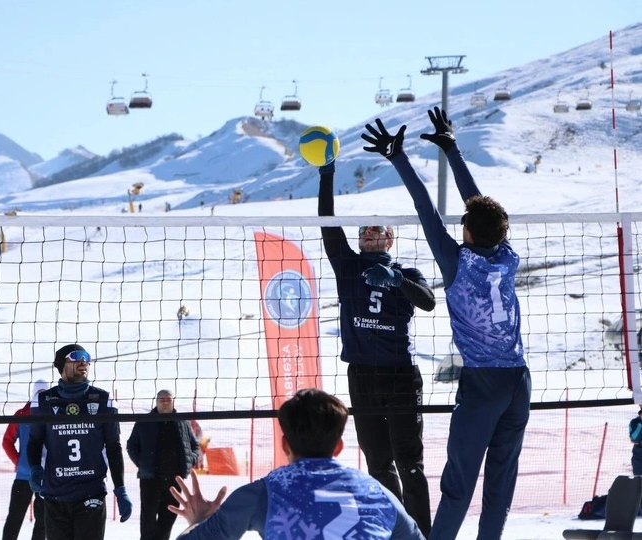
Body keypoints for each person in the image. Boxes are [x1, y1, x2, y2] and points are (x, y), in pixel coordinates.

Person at [362, 106, 531, 540]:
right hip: (519, 380)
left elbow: (425, 207)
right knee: (499, 489)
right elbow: (480, 209)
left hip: (484, 386)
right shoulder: (506, 255)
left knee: (458, 488)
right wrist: (452, 150)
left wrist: (398, 158)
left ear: (469, 232)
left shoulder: (458, 263)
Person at [317, 160, 435, 535]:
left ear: (389, 240)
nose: (368, 234)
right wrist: (327, 175)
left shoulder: (408, 274)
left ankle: (423, 533)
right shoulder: (348, 267)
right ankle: (394, 529)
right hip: (362, 375)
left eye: (377, 230)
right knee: (378, 463)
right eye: (364, 230)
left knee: (409, 462)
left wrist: (396, 279)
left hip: (400, 374)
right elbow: (328, 225)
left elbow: (428, 301)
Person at [167, 388, 425, 540]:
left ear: (284, 446)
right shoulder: (377, 493)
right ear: (338, 448)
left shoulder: (263, 493)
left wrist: (198, 520)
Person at [27, 344, 133, 540]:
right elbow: (34, 441)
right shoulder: (44, 401)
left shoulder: (103, 400)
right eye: (76, 356)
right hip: (55, 495)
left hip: (91, 493)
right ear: (62, 364)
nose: (83, 361)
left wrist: (120, 488)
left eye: (87, 357)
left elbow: (113, 447)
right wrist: (34, 468)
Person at [127, 390, 201, 540]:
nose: (165, 402)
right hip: (150, 479)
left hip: (175, 480)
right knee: (148, 520)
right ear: (156, 402)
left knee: (168, 519)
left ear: (173, 401)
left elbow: (195, 446)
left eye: (168, 399)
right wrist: (142, 464)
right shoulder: (145, 421)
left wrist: (190, 460)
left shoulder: (182, 421)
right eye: (162, 399)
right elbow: (132, 445)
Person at [2, 380, 49, 540]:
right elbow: (7, 441)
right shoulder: (22, 415)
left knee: (41, 521)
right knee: (17, 519)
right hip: (29, 476)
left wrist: (19, 461)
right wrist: (19, 461)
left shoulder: (51, 414)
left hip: (44, 477)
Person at [630, 406, 642, 475]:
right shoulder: (634, 422)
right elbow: (635, 439)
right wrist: (640, 425)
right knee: (639, 481)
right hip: (638, 457)